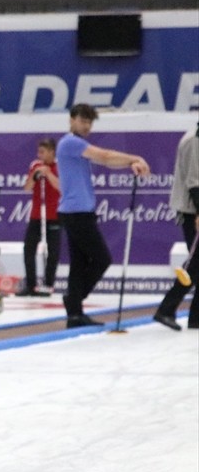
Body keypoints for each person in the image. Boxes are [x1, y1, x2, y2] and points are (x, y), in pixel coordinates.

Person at [55, 103, 152, 328]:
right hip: (76, 212)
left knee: (79, 264)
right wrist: (135, 157)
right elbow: (106, 157)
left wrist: (131, 163)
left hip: (80, 212)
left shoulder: (77, 145)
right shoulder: (71, 142)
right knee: (101, 258)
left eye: (89, 122)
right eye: (83, 120)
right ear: (71, 120)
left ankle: (75, 314)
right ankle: (73, 300)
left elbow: (108, 160)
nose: (87, 125)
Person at [153, 122, 199, 330]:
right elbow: (194, 182)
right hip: (192, 211)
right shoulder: (194, 140)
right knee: (195, 264)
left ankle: (195, 317)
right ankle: (166, 309)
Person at [15, 137, 62, 297]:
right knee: (29, 249)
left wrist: (48, 174)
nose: (39, 155)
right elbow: (27, 188)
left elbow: (61, 187)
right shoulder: (35, 165)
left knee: (53, 251)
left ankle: (48, 284)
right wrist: (35, 176)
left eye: (43, 152)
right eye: (39, 151)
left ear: (51, 152)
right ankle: (30, 284)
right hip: (36, 215)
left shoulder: (59, 166)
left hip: (54, 215)